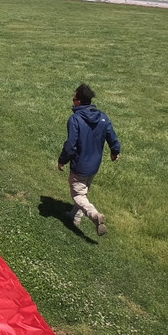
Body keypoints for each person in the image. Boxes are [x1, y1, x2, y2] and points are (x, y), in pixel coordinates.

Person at [58, 83, 121, 237]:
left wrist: (62, 160)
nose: (73, 102)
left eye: (73, 99)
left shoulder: (75, 119)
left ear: (79, 101)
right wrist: (115, 151)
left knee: (78, 195)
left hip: (80, 165)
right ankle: (75, 216)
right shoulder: (103, 117)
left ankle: (95, 215)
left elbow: (71, 145)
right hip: (94, 165)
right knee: (83, 191)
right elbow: (112, 136)